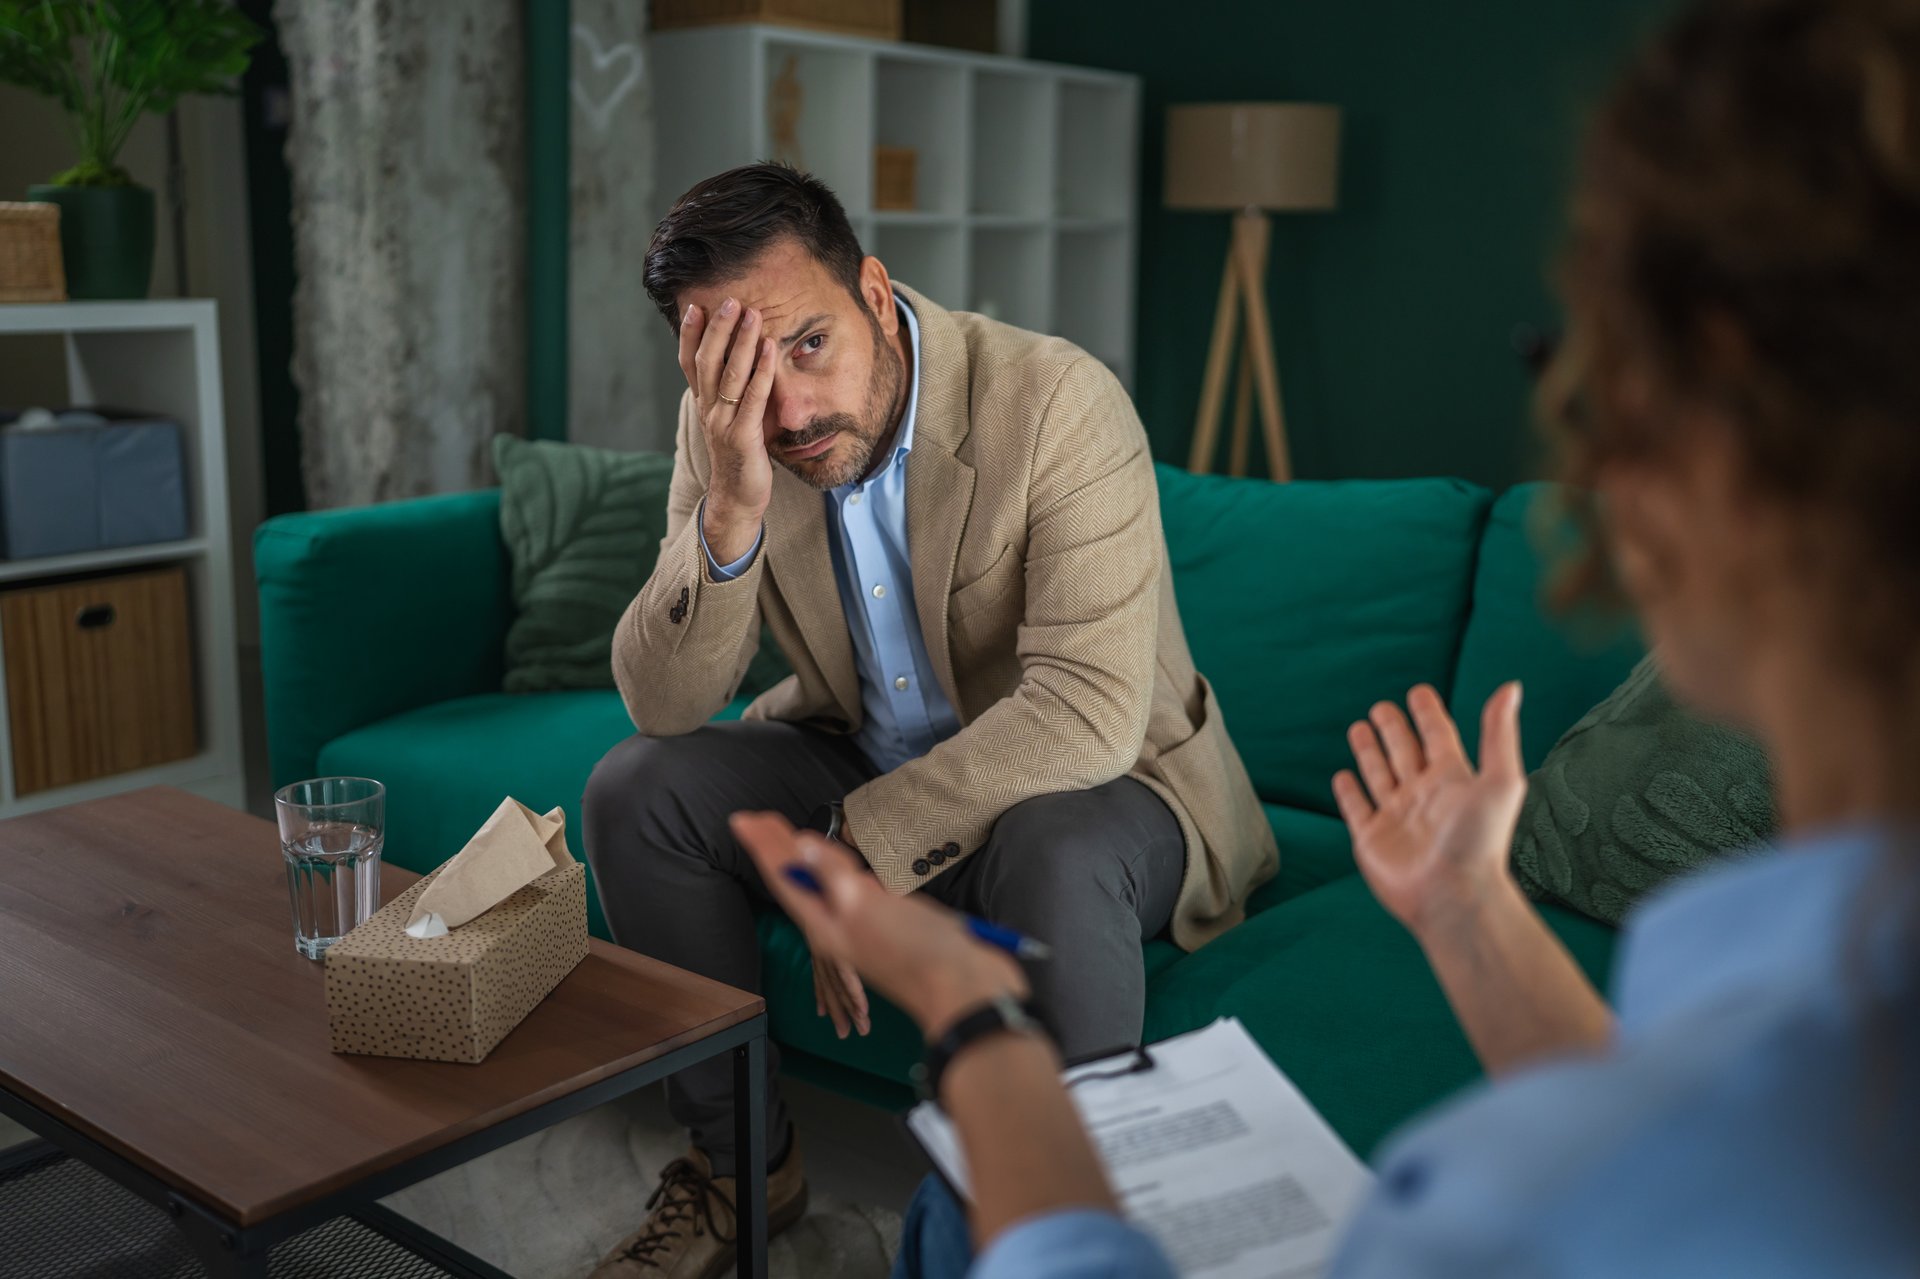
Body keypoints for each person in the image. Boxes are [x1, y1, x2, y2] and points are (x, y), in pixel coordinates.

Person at [737, 0, 1920, 1273]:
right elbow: (1679, 1169)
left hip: (1085, 821)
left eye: (1581, 360)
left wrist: (974, 1022)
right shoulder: (1812, 1049)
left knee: (946, 1221)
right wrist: (1473, 913)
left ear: (1720, 437)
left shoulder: (1467, 1217)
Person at [582, 162, 1276, 1277]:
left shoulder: (1057, 400)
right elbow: (663, 702)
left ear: (871, 287)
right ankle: (744, 1165)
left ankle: (1039, 1226)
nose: (791, 411)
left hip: (1107, 784)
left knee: (1053, 846)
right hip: (857, 739)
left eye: (806, 343)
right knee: (636, 789)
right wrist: (729, 507)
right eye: (746, 372)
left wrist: (860, 848)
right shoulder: (731, 432)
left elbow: (1090, 711)